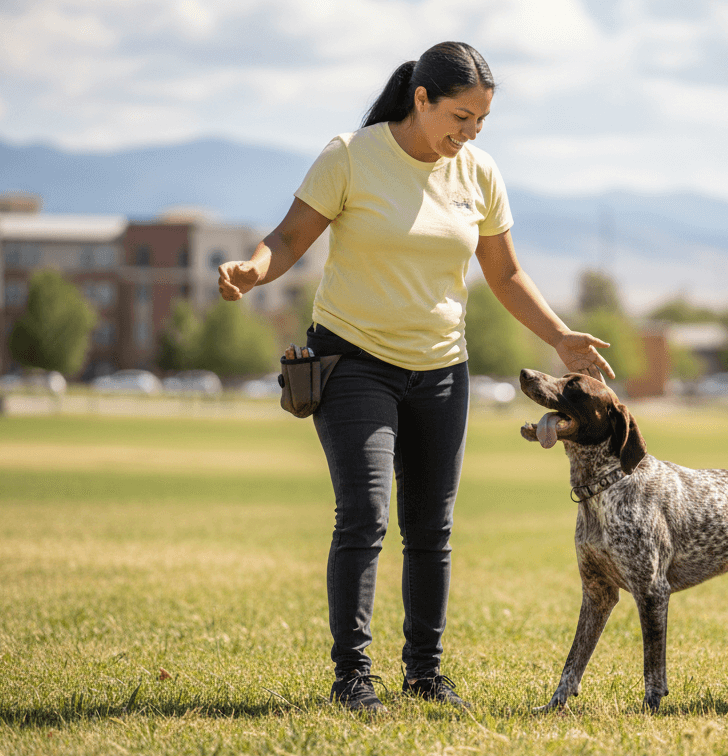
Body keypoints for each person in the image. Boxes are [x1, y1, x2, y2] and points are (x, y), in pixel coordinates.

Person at [216, 41, 615, 713]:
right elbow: (288, 239)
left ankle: (425, 674)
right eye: (460, 117)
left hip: (441, 370)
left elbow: (506, 274)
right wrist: (255, 271)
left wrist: (559, 336)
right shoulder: (351, 154)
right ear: (420, 99)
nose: (469, 134)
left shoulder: (480, 173)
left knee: (431, 528)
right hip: (352, 362)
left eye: (481, 123)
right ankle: (353, 677)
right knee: (365, 515)